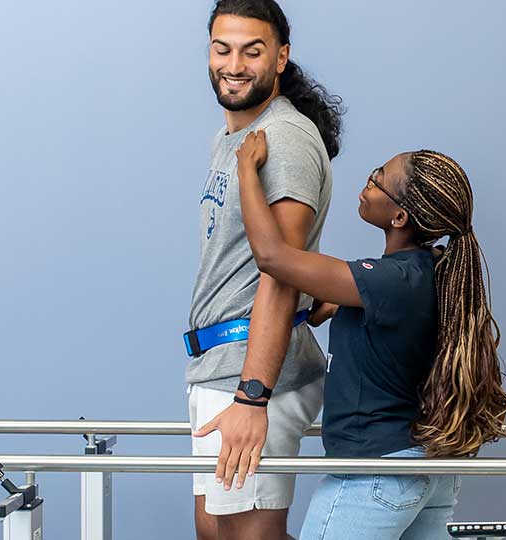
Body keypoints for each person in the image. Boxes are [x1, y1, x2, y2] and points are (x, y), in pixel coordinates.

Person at [229, 131, 506, 540]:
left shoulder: (391, 280)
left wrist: (246, 169)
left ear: (400, 217)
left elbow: (273, 257)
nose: (369, 181)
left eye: (379, 178)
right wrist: (346, 304)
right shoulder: (433, 271)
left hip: (376, 476)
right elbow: (393, 318)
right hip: (424, 469)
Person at [185, 1, 343, 539]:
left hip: (253, 376)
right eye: (222, 48)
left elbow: (280, 269)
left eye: (252, 51)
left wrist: (252, 396)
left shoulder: (286, 139)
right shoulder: (232, 139)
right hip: (221, 364)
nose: (234, 64)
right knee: (218, 530)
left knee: (247, 534)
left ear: (281, 57)